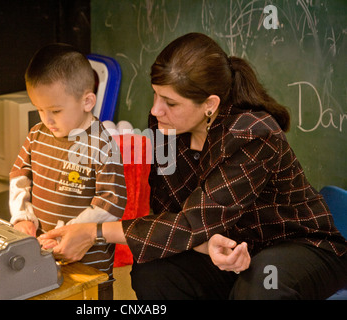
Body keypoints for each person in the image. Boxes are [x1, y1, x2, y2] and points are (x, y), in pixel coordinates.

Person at [38, 33, 347, 299]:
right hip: (232, 249)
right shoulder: (164, 129)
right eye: (156, 94)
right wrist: (205, 245)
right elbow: (169, 215)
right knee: (152, 273)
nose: (156, 109)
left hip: (299, 247)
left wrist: (94, 232)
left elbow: (189, 223)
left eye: (170, 102)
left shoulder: (253, 133)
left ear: (210, 105)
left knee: (262, 284)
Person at [9, 43, 127, 300]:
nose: (46, 119)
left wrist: (71, 232)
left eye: (55, 111)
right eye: (40, 109)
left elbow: (111, 202)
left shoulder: (101, 144)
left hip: (90, 268)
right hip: (44, 255)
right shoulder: (37, 134)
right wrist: (22, 217)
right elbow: (19, 175)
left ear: (87, 101)